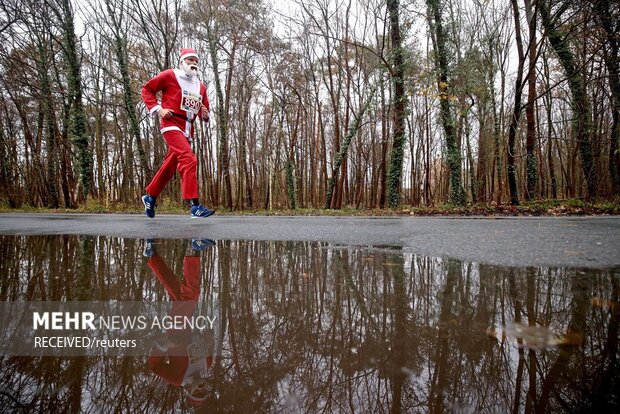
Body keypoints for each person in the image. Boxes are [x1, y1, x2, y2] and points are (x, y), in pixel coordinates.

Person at [141, 48, 215, 219]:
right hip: (171, 123)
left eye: (196, 61)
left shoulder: (200, 86)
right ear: (182, 61)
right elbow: (147, 90)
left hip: (188, 129)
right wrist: (159, 109)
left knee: (169, 167)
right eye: (190, 60)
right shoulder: (169, 75)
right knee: (189, 159)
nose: (193, 64)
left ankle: (150, 196)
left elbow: (205, 111)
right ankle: (195, 206)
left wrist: (204, 115)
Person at [144, 238, 217, 407]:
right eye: (204, 391)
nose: (201, 388)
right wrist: (208, 336)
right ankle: (152, 255)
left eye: (196, 392)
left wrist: (163, 346)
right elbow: (207, 343)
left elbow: (154, 365)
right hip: (190, 325)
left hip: (176, 329)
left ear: (188, 390)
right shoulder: (207, 365)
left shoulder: (177, 379)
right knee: (177, 292)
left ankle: (195, 249)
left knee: (190, 294)